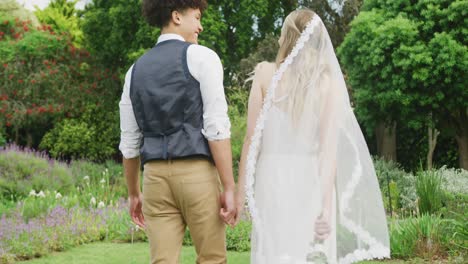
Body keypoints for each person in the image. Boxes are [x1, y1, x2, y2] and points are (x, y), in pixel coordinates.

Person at [235, 9, 390, 264]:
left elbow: (251, 140)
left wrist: (241, 193)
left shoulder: (264, 73)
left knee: (273, 253)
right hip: (309, 178)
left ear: (286, 37)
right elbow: (328, 151)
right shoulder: (326, 84)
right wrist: (326, 207)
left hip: (271, 179)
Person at [118, 0, 236, 263]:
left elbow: (129, 143)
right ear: (176, 17)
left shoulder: (134, 72)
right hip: (196, 175)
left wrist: (134, 193)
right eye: (196, 18)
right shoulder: (203, 57)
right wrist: (229, 186)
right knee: (212, 259)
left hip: (155, 180)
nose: (200, 26)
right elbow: (216, 128)